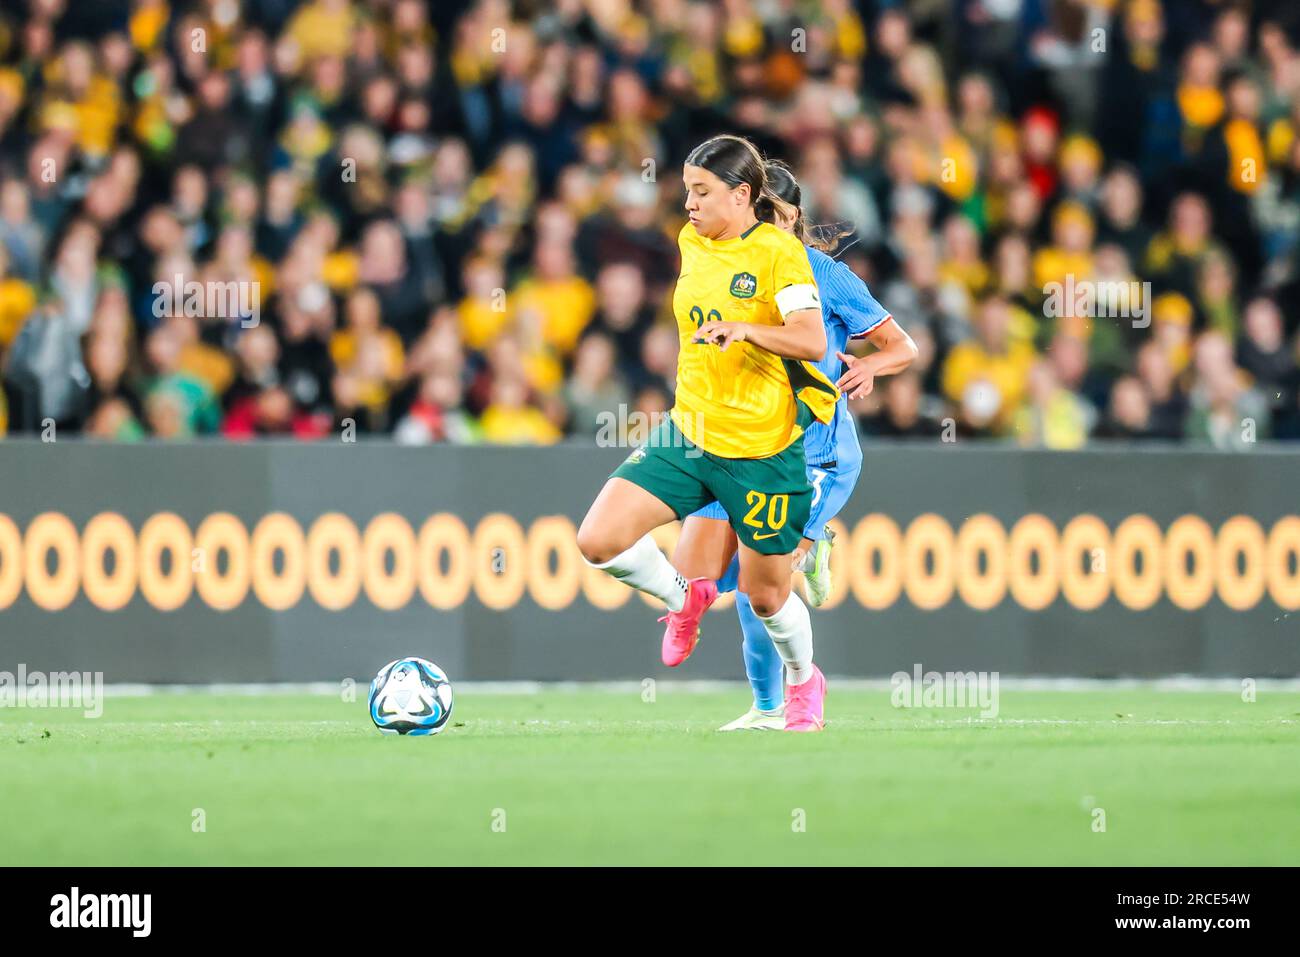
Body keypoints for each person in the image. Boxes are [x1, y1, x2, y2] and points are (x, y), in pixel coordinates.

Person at [576, 135, 836, 731]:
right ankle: (681, 597)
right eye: (687, 190)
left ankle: (804, 682)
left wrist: (745, 329)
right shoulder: (691, 242)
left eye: (702, 191)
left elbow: (811, 340)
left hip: (761, 450)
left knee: (767, 597)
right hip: (690, 432)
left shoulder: (778, 254)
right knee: (597, 540)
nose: (688, 204)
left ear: (742, 194)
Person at [675, 160, 918, 731]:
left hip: (814, 455)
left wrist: (874, 367)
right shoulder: (728, 264)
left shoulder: (822, 274)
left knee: (758, 590)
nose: (765, 226)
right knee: (703, 582)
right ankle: (766, 698)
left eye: (775, 216)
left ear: (791, 217)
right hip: (739, 443)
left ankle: (777, 705)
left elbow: (901, 344)